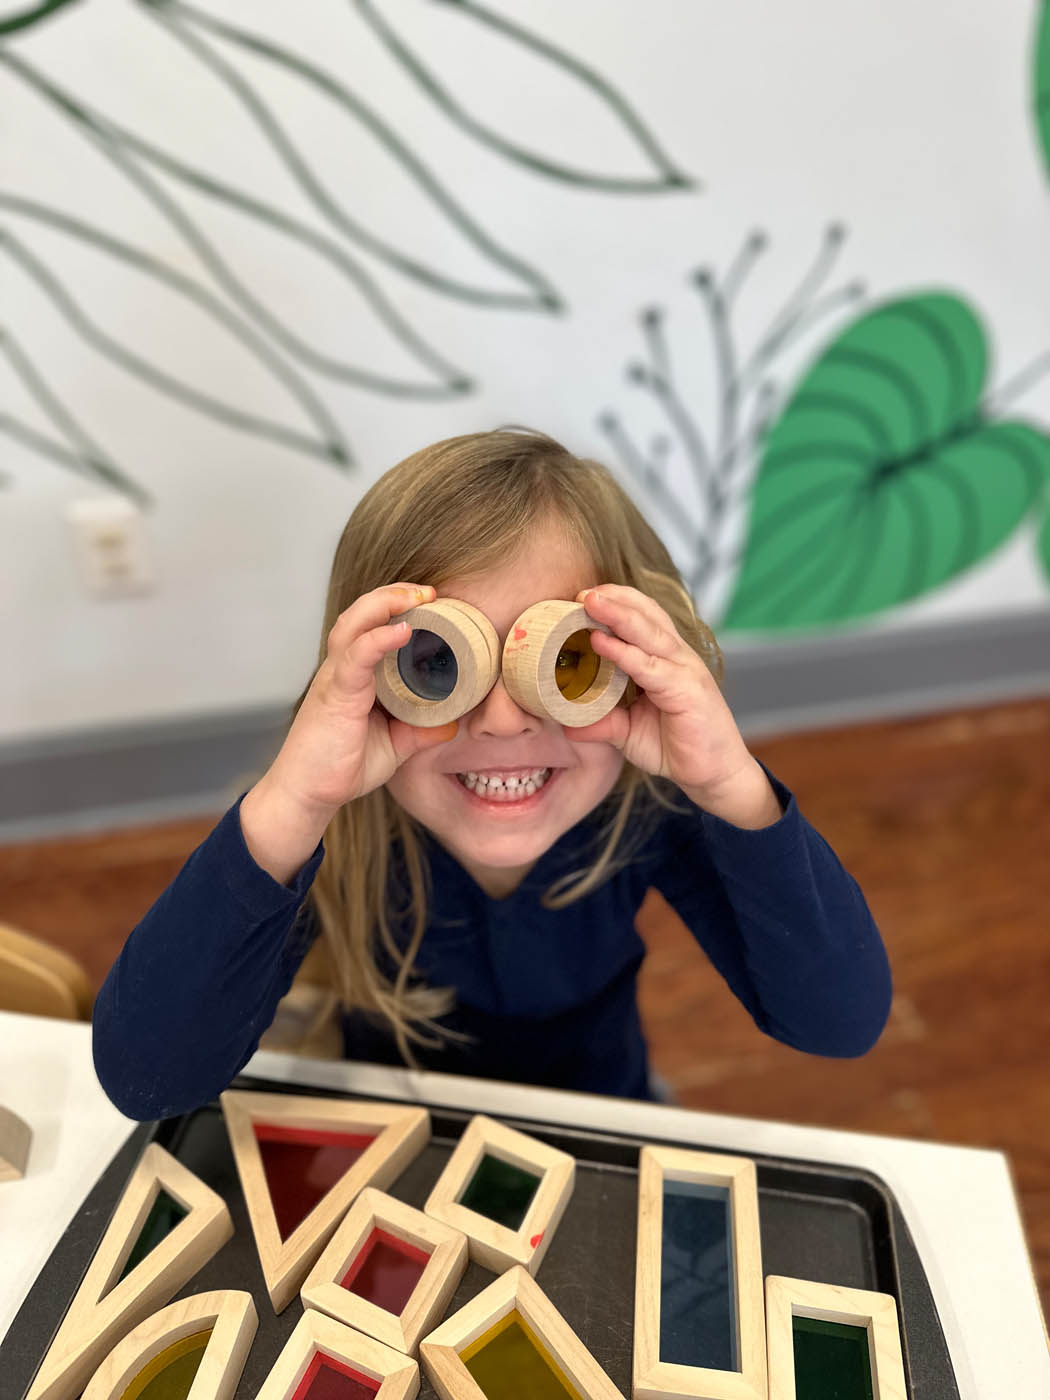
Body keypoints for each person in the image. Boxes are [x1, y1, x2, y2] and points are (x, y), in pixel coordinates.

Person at [93, 428, 891, 1120]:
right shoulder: (339, 823)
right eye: (438, 662)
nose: (504, 720)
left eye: (565, 661)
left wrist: (730, 788)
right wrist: (291, 804)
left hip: (602, 1120)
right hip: (401, 1140)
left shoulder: (644, 806)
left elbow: (837, 1024)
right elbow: (149, 1081)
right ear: (368, 677)